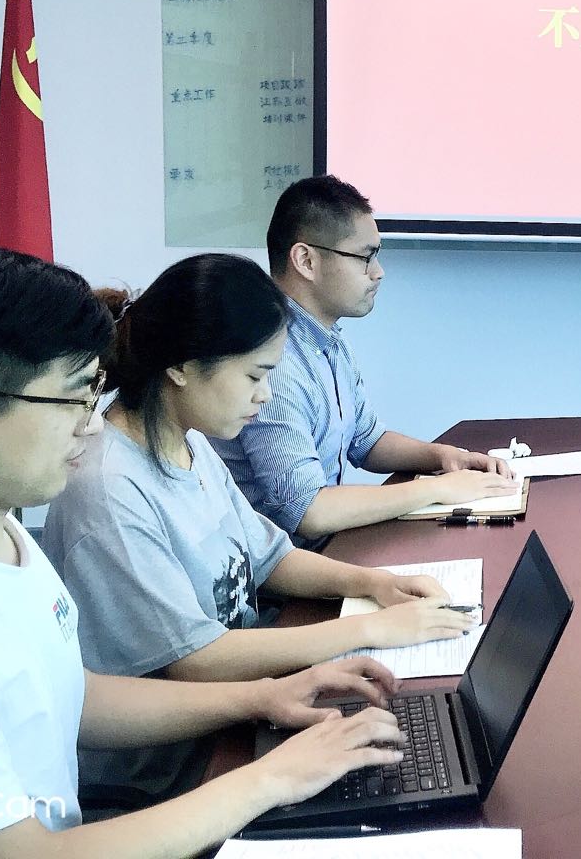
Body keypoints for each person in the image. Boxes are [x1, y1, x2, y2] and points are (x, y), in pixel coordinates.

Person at [0, 246, 409, 859]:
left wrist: (262, 696)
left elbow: (70, 696)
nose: (91, 425)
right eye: (73, 399)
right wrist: (272, 779)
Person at [41, 253, 478, 800]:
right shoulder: (110, 490)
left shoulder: (189, 442)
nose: (265, 394)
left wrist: (373, 583)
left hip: (241, 707)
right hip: (176, 768)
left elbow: (271, 557)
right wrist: (370, 628)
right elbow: (195, 661)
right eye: (254, 375)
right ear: (181, 367)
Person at [213, 174, 514, 538]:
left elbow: (365, 441)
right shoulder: (274, 363)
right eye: (365, 257)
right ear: (306, 260)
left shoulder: (328, 340)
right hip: (288, 567)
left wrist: (443, 457)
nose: (378, 272)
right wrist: (436, 489)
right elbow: (308, 511)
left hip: (327, 547)